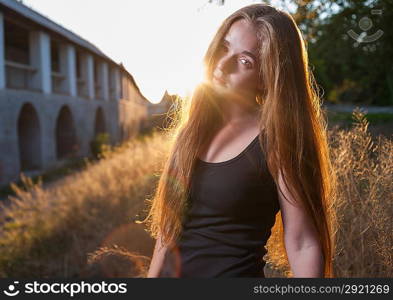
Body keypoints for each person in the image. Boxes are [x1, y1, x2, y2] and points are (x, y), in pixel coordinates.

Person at [143, 3, 336, 278]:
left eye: (245, 61)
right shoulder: (191, 132)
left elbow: (303, 242)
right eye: (224, 47)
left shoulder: (278, 141)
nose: (222, 65)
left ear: (267, 78)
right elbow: (168, 232)